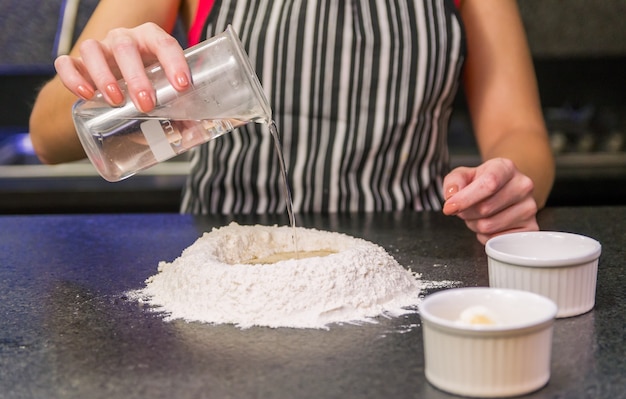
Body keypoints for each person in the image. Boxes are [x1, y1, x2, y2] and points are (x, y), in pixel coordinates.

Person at [29, 0, 555, 244]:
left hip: (408, 257)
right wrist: (107, 84)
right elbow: (47, 136)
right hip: (225, 261)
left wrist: (503, 182)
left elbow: (519, 131)